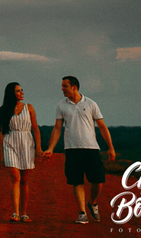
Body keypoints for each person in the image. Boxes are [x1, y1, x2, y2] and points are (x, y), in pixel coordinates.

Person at [42, 75, 116, 224]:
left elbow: (102, 126)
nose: (62, 89)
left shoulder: (91, 104)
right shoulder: (61, 106)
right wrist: (50, 148)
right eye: (62, 86)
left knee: (98, 180)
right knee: (77, 181)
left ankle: (92, 202)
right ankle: (82, 212)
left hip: (91, 148)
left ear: (74, 87)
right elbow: (57, 128)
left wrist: (110, 147)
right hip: (71, 148)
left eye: (64, 86)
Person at [0, 82, 41, 222]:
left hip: (26, 143)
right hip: (10, 142)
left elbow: (35, 129)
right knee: (15, 177)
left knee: (24, 180)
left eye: (21, 90)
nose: (21, 92)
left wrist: (39, 149)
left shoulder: (29, 108)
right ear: (11, 93)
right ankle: (15, 213)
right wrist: (1, 154)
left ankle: (24, 213)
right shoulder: (4, 109)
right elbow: (2, 132)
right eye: (18, 91)